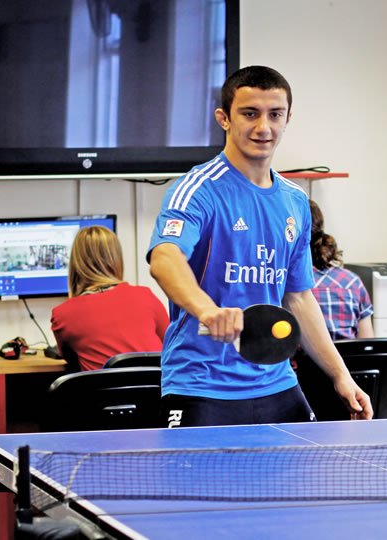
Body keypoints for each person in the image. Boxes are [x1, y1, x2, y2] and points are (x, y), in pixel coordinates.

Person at [147, 65, 372, 427]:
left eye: (275, 114)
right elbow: (165, 258)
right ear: (224, 118)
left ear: (287, 119)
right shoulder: (197, 190)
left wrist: (341, 375)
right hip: (201, 385)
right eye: (250, 113)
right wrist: (208, 311)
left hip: (276, 382)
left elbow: (299, 298)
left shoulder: (295, 202)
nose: (263, 127)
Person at [51, 226, 168, 371]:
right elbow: (171, 345)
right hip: (157, 385)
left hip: (106, 386)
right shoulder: (145, 295)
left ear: (76, 264)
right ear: (116, 258)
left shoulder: (62, 315)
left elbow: (72, 360)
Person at [308, 199, 373, 341]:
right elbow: (367, 343)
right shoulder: (352, 282)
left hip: (306, 357)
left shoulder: (288, 285)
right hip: (348, 357)